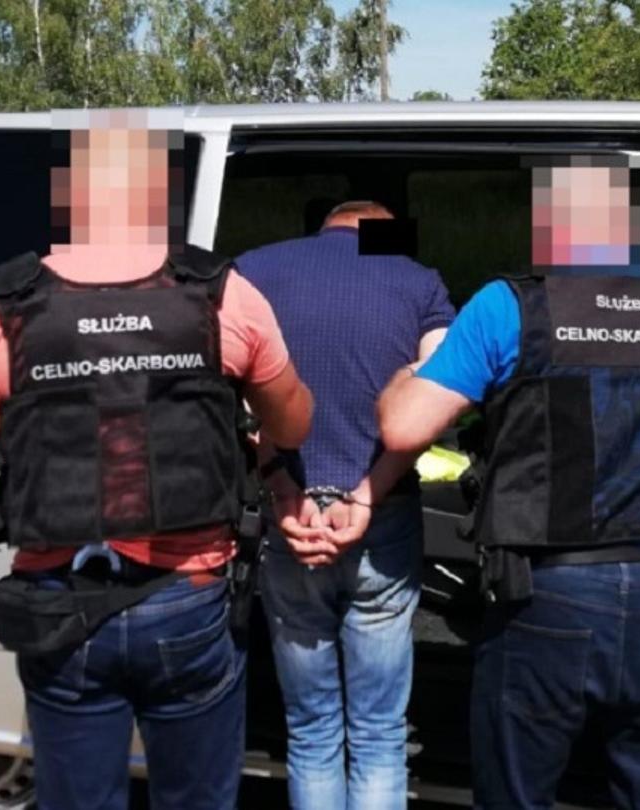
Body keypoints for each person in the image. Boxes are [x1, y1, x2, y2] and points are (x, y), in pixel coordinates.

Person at [0, 113, 314, 810]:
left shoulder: (2, 314)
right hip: (187, 602)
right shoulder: (224, 296)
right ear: (160, 196)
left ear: (69, 197)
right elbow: (293, 421)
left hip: (59, 608)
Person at [375, 156, 640, 810]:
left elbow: (404, 429)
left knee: (518, 792)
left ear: (549, 224)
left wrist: (411, 372)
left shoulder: (510, 307)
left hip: (549, 593)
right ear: (630, 227)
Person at [235, 201, 455, 810]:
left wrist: (283, 487)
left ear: (326, 226)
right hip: (382, 515)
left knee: (310, 729)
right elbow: (439, 394)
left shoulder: (253, 270)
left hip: (292, 520)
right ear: (384, 231)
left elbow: (231, 393)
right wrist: (368, 492)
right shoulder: (419, 281)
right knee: (380, 733)